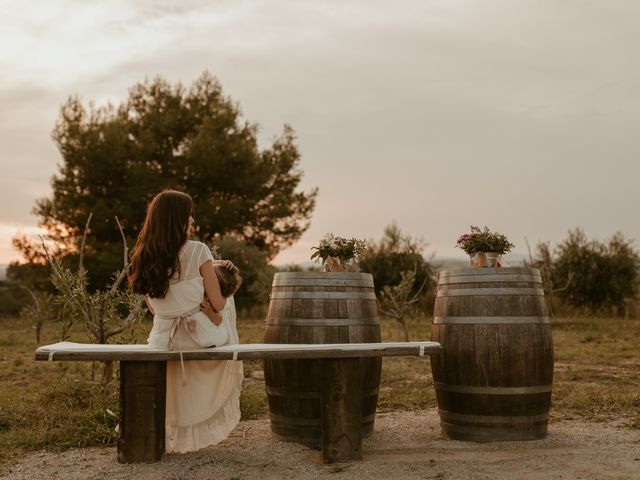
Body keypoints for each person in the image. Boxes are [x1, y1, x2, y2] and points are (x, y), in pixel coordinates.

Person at [128, 189, 244, 454]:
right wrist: (210, 282)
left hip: (161, 340)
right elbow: (218, 304)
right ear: (177, 219)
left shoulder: (143, 254)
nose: (192, 219)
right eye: (188, 214)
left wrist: (209, 264)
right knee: (228, 302)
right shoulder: (198, 250)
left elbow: (154, 305)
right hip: (196, 340)